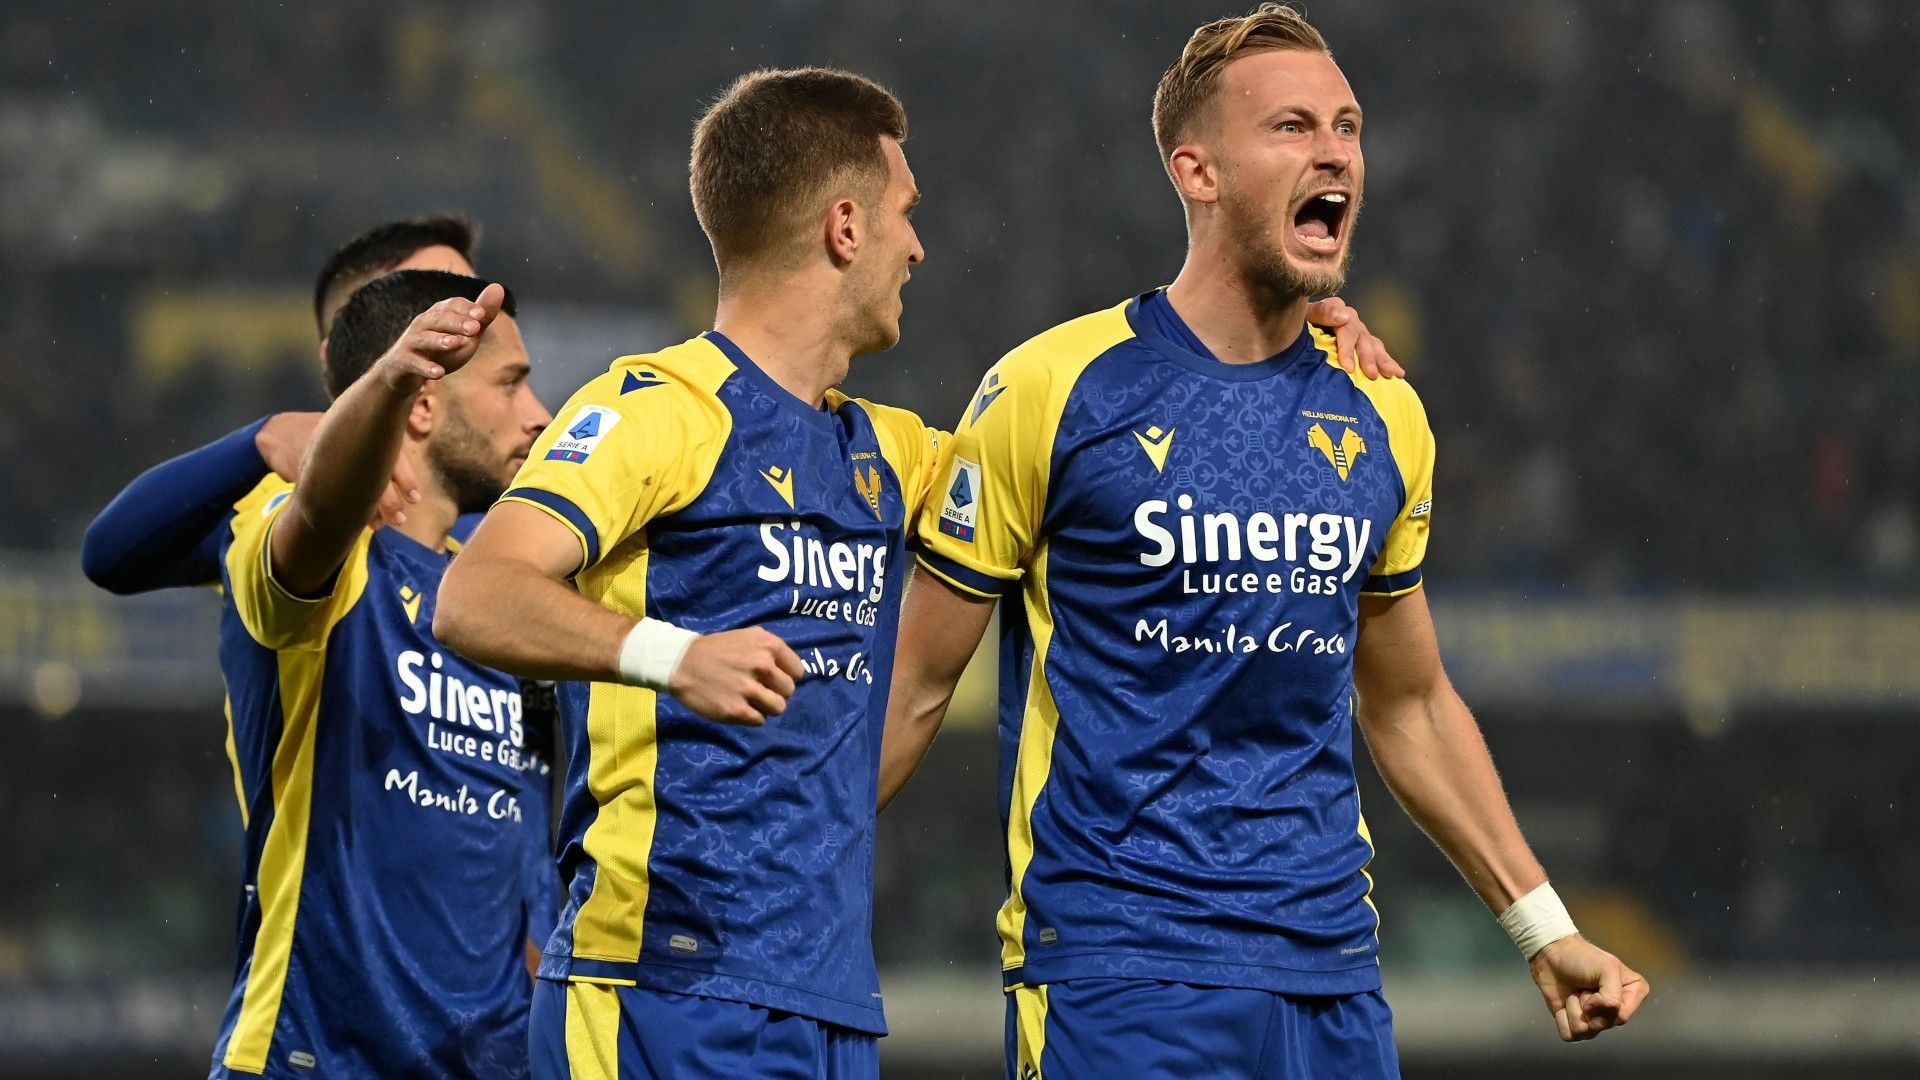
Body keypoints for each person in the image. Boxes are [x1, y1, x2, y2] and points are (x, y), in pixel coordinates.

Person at [880, 6, 1649, 1078]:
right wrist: (767, 877)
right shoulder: (1054, 389)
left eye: (1348, 126)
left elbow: (1410, 703)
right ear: (1197, 172)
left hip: (1330, 978)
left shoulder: (1382, 411)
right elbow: (916, 684)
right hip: (1120, 972)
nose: (1335, 152)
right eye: (1292, 127)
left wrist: (1542, 927)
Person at [434, 68, 942, 1080]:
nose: (918, 247)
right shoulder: (654, 409)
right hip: (658, 985)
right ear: (845, 227)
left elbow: (1054, 475)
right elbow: (476, 596)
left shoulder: (895, 454)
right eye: (906, 213)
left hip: (829, 1000)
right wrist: (675, 655)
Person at [79, 216, 563, 979]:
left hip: (504, 1022)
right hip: (331, 1017)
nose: (463, 318)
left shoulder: (497, 566)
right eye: (439, 308)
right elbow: (110, 553)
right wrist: (262, 438)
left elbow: (518, 804)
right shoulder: (282, 522)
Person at [209, 270, 550, 1078]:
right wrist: (389, 381)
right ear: (422, 406)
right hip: (315, 1057)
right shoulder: (316, 547)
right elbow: (318, 516)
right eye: (511, 384)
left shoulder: (503, 599)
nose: (539, 414)